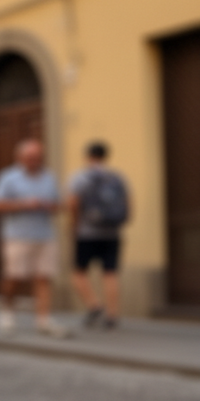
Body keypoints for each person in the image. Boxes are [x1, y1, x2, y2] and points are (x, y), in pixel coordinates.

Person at [0, 139, 69, 338]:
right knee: (13, 277)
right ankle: (7, 311)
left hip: (45, 235)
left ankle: (43, 320)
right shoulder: (7, 177)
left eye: (38, 157)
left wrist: (52, 206)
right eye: (31, 157)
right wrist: (24, 204)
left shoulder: (49, 177)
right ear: (20, 158)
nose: (35, 161)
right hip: (17, 236)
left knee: (44, 277)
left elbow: (60, 205)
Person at [68, 141, 130, 329]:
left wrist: (73, 227)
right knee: (110, 273)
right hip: (112, 233)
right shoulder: (117, 177)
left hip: (87, 233)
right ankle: (112, 315)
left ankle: (94, 305)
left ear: (88, 156)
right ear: (105, 156)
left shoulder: (80, 178)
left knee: (79, 272)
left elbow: (73, 203)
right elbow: (128, 205)